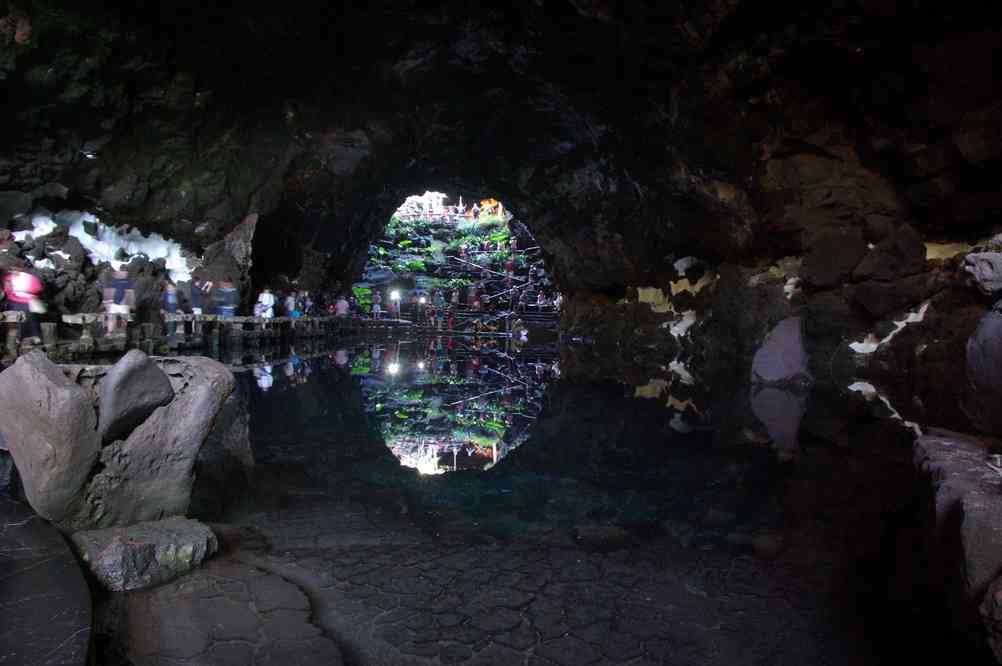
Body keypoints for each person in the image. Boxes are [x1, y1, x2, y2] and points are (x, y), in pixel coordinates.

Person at [3, 269, 45, 341]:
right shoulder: (29, 277)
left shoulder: (10, 277)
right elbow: (38, 288)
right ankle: (33, 337)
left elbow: (7, 290)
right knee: (29, 320)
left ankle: (21, 338)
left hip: (20, 302)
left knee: (22, 321)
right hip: (25, 301)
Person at [103, 270, 135, 335]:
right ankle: (112, 332)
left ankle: (117, 332)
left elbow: (130, 293)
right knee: (114, 317)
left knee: (118, 318)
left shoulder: (125, 283)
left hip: (121, 303)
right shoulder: (113, 282)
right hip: (117, 304)